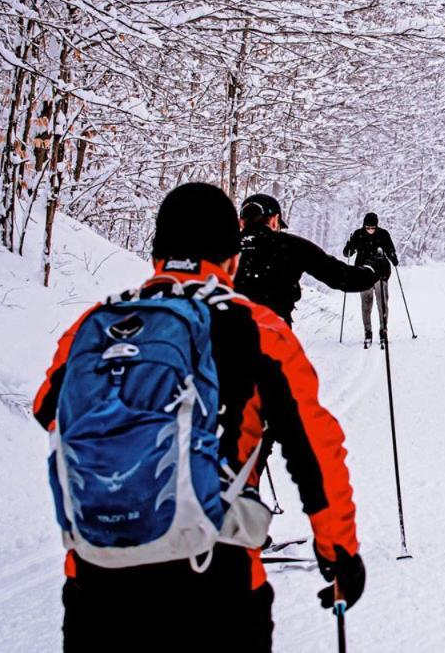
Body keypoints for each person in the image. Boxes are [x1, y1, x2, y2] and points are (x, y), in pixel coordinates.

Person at [33, 183, 366, 652]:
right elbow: (314, 449)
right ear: (232, 258)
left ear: (157, 255)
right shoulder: (258, 328)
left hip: (96, 579)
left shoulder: (98, 322)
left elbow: (47, 407)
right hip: (215, 579)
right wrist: (338, 552)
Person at [235, 193, 381, 326]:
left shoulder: (219, 248)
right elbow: (341, 277)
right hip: (273, 334)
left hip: (222, 335)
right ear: (275, 220)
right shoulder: (292, 246)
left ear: (241, 222)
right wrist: (373, 269)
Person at [343, 212, 399, 349]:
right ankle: (367, 332)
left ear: (376, 225)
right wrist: (349, 245)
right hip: (363, 274)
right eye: (368, 228)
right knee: (366, 305)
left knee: (382, 304)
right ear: (364, 226)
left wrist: (393, 258)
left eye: (373, 228)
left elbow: (390, 249)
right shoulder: (358, 234)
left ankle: (383, 331)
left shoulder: (383, 234)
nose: (370, 230)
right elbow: (347, 253)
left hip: (381, 274)